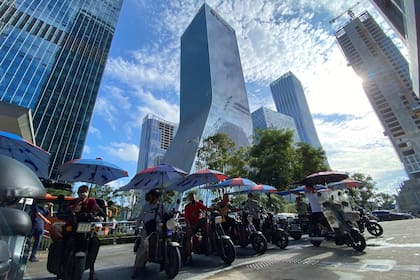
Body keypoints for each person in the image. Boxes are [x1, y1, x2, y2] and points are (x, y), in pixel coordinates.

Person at [68, 185, 103, 280]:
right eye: (81, 191)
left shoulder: (92, 201)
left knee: (95, 242)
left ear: (88, 193)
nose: (83, 193)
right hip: (74, 226)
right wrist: (78, 202)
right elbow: (70, 210)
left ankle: (92, 270)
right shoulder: (74, 201)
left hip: (87, 226)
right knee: (65, 239)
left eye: (85, 191)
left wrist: (97, 212)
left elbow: (98, 210)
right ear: (78, 193)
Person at [132, 189, 162, 278]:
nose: (155, 198)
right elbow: (140, 217)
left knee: (168, 237)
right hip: (147, 228)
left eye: (156, 196)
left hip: (158, 227)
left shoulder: (161, 206)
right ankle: (137, 268)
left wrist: (171, 214)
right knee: (143, 246)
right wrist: (136, 227)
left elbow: (167, 214)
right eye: (154, 196)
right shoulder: (146, 206)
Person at [184, 192, 207, 265]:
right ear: (189, 199)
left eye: (193, 197)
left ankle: (206, 238)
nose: (193, 198)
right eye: (191, 197)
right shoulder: (187, 207)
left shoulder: (198, 204)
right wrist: (189, 226)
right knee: (189, 236)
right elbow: (186, 218)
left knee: (205, 220)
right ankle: (189, 255)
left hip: (198, 222)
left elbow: (205, 208)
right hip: (192, 224)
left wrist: (213, 209)